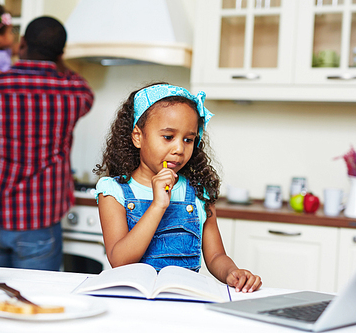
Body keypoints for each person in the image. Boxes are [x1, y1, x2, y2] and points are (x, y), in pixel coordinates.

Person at [0, 17, 94, 271]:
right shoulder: (73, 92)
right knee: (34, 301)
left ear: (22, 43)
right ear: (60, 54)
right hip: (40, 221)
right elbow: (84, 89)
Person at [93, 83, 262, 293]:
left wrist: (231, 272)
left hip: (185, 300)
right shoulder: (113, 191)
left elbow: (216, 256)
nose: (179, 149)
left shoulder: (199, 192)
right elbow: (119, 261)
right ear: (138, 136)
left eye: (188, 140)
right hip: (133, 301)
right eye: (168, 137)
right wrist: (157, 206)